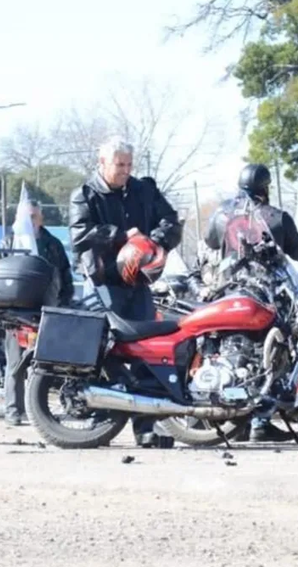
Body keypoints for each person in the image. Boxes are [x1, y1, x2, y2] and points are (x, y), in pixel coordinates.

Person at [68, 135, 183, 448]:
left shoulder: (144, 188)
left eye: (129, 165)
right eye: (120, 164)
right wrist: (123, 237)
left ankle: (146, 427)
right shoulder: (84, 193)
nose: (125, 170)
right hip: (104, 280)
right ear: (102, 163)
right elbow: (80, 235)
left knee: (149, 348)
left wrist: (154, 241)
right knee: (104, 348)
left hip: (139, 282)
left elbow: (171, 220)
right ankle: (99, 419)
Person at [204, 163, 298, 443]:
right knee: (273, 357)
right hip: (265, 297)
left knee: (232, 355)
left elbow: (211, 242)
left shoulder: (222, 213)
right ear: (265, 187)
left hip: (229, 293)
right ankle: (260, 422)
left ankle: (233, 420)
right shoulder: (276, 216)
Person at [0, 199, 75, 427]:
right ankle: (13, 411)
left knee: (49, 363)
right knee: (15, 364)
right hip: (16, 313)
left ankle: (45, 411)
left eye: (34, 216)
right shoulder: (9, 242)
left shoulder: (52, 244)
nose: (30, 221)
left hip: (47, 310)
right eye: (26, 217)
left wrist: (64, 303)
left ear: (41, 219)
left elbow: (65, 274)